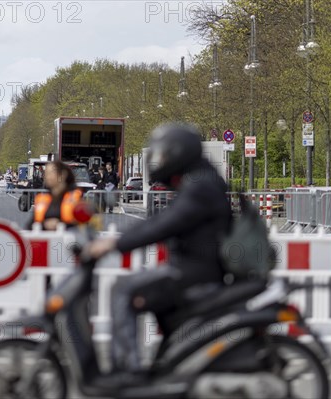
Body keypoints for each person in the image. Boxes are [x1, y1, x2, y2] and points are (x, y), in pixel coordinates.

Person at [86, 123, 231, 381]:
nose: (160, 161)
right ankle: (163, 365)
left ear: (178, 153)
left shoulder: (200, 187)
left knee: (123, 288)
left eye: (163, 155)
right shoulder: (200, 179)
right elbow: (162, 220)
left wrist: (114, 244)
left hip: (194, 273)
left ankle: (128, 371)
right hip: (196, 267)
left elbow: (164, 224)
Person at [26, 161, 82, 231]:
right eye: (46, 173)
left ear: (62, 174)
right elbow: (30, 226)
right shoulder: (42, 198)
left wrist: (60, 224)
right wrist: (44, 224)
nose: (47, 176)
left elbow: (83, 225)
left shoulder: (76, 197)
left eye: (50, 173)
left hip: (70, 239)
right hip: (47, 239)